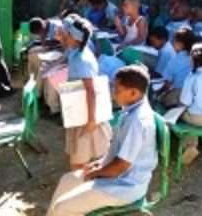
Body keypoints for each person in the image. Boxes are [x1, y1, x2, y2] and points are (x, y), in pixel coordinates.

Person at [47, 65, 158, 216]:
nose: (114, 94)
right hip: (116, 177)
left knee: (62, 208)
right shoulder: (130, 109)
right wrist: (98, 164)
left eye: (118, 90)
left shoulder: (137, 121)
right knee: (67, 180)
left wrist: (96, 173)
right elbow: (116, 154)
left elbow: (121, 165)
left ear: (133, 93)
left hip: (125, 187)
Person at [62, 15, 112, 170]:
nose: (66, 37)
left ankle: (82, 185)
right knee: (81, 152)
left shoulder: (82, 59)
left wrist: (91, 119)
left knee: (82, 157)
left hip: (86, 114)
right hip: (79, 110)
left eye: (68, 35)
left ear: (76, 38)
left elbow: (91, 91)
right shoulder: (77, 51)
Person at [157, 27, 195, 108]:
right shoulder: (197, 58)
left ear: (180, 44)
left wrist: (158, 93)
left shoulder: (175, 60)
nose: (173, 43)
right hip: (194, 95)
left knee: (159, 100)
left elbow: (167, 85)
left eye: (175, 41)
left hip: (180, 94)